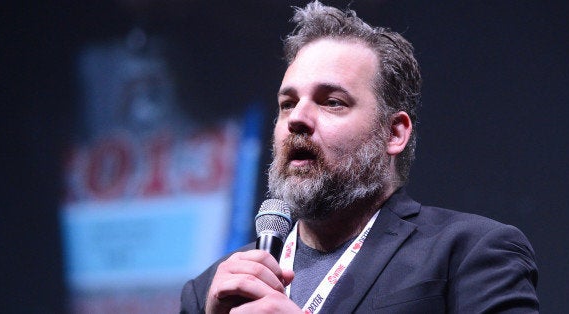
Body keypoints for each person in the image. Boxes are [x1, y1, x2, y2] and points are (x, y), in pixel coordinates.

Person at [180, 1, 539, 313]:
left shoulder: (469, 253)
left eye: (332, 102)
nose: (298, 120)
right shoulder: (214, 288)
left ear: (394, 133)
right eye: (287, 104)